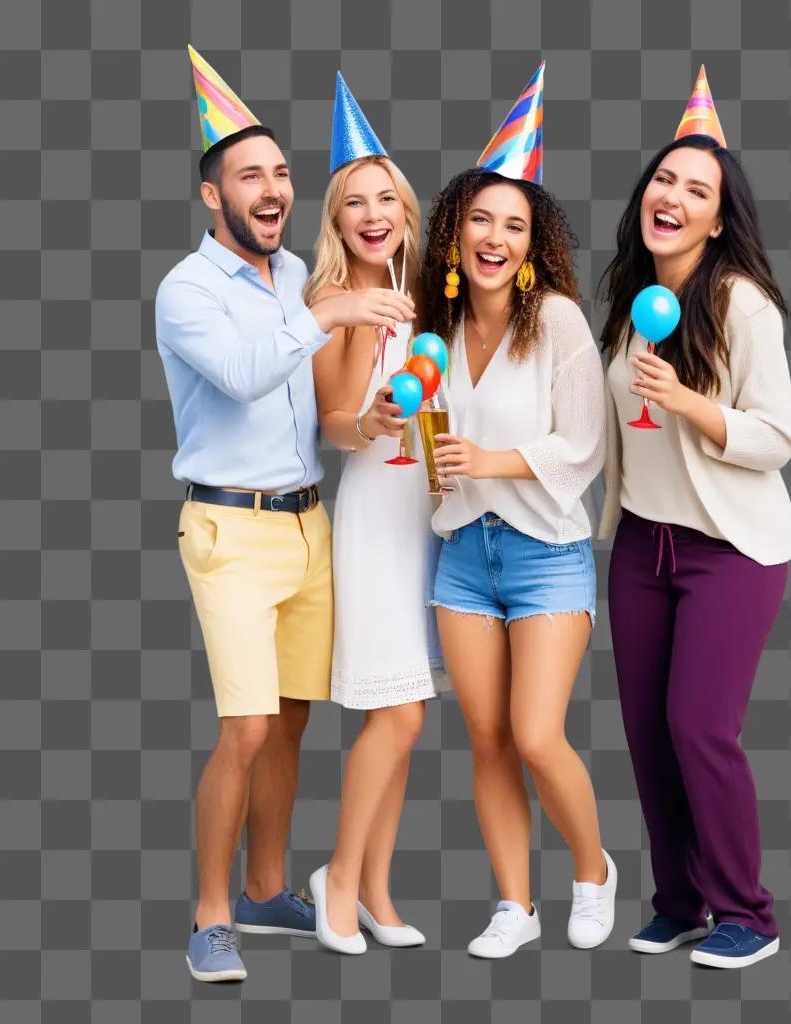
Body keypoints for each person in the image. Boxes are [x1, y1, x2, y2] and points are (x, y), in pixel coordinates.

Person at [155, 49, 414, 982]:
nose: (273, 188)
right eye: (249, 175)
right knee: (248, 726)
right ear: (212, 196)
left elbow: (318, 414)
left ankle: (266, 888)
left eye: (282, 173)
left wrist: (370, 422)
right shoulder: (188, 291)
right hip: (229, 531)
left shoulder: (295, 269)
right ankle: (212, 914)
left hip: (311, 525)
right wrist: (334, 308)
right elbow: (240, 374)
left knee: (295, 716)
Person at [597, 67, 791, 969]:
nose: (670, 195)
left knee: (698, 728)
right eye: (663, 180)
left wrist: (689, 403)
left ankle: (746, 913)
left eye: (696, 188)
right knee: (645, 732)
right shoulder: (630, 306)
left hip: (731, 552)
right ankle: (677, 901)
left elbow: (777, 437)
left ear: (718, 219)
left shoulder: (740, 303)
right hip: (642, 544)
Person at [418, 64, 614, 959]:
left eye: (515, 224)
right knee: (489, 737)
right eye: (480, 220)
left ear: (533, 243)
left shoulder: (562, 323)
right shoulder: (437, 331)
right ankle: (513, 905)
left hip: (546, 553)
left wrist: (485, 459)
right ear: (455, 234)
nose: (494, 236)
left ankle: (591, 869)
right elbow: (430, 452)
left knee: (538, 734)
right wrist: (418, 447)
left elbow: (584, 447)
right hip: (462, 552)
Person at [305, 74, 441, 955]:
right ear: (337, 219)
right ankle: (339, 883)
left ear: (405, 209)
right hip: (371, 519)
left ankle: (380, 891)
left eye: (385, 196)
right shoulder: (335, 304)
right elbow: (332, 425)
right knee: (395, 714)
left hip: (428, 518)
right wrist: (374, 421)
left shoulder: (427, 293)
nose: (372, 212)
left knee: (407, 706)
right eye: (354, 202)